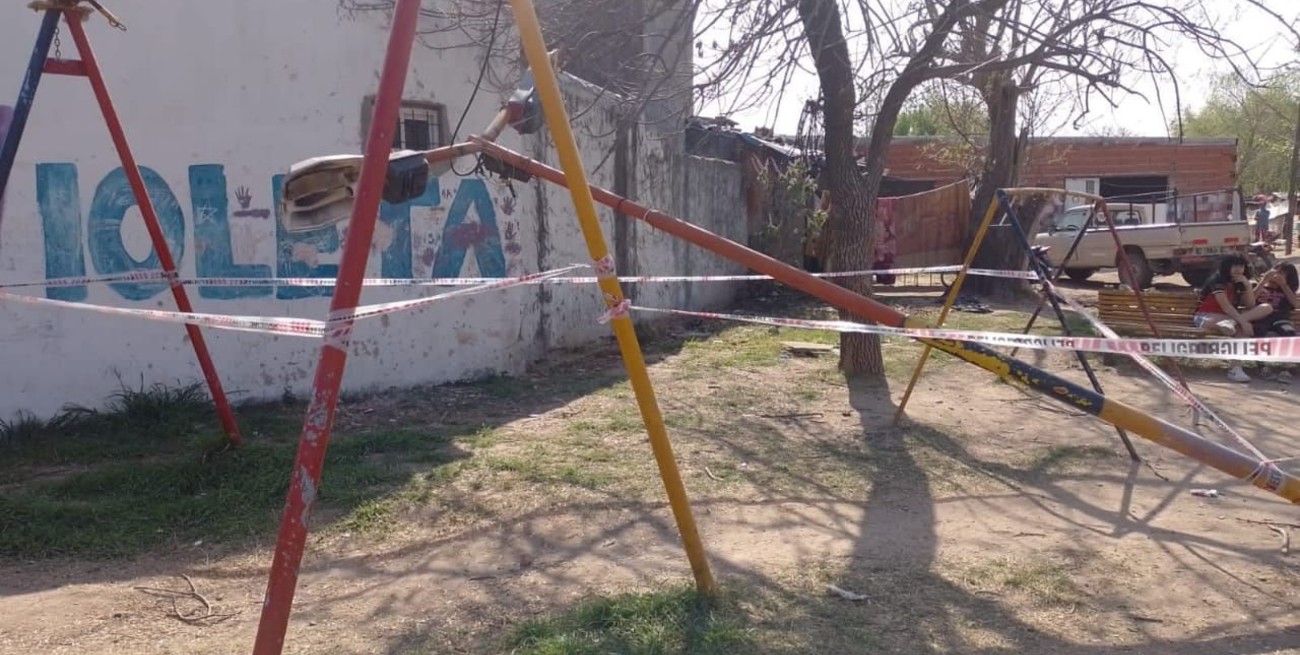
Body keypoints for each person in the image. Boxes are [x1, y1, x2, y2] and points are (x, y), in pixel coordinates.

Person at [1193, 254, 1274, 382]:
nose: (1238, 269)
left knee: (1266, 307)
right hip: (1206, 316)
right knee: (1240, 327)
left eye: (1241, 266)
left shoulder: (1240, 282)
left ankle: (1235, 369)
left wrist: (1247, 285)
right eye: (1235, 266)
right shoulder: (1217, 281)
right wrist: (1243, 321)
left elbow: (1250, 304)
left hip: (1229, 318)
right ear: (1227, 267)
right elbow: (1226, 306)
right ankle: (1236, 367)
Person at [1253, 262, 1299, 383]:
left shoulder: (1287, 289)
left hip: (1280, 318)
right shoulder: (1261, 285)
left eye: (1281, 274)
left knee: (1289, 333)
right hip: (1261, 317)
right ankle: (1262, 366)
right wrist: (1263, 281)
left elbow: (1295, 303)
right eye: (1276, 271)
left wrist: (1283, 285)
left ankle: (1286, 368)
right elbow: (1250, 300)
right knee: (1258, 331)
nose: (1276, 276)